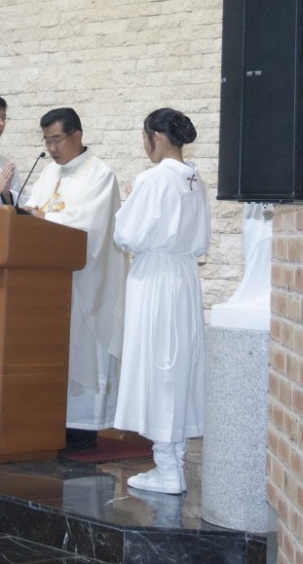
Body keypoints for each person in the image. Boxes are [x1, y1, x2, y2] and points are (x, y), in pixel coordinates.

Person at [112, 107, 208, 495]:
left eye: (144, 137)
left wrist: (129, 203)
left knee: (158, 366)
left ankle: (167, 469)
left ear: (155, 137)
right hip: (184, 277)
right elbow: (200, 239)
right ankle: (174, 462)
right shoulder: (194, 179)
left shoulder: (152, 179)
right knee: (177, 367)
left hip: (155, 279)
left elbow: (126, 235)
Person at [20, 108, 125, 450]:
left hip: (85, 283)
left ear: (77, 135)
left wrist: (43, 218)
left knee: (82, 346)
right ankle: (48, 418)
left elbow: (89, 225)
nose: (51, 148)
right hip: (50, 284)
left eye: (56, 139)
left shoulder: (100, 175)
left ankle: (82, 426)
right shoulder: (49, 172)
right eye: (47, 141)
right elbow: (33, 213)